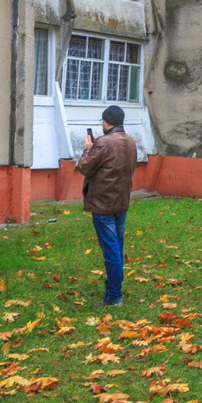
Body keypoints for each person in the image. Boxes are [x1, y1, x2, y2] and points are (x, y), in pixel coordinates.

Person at [77, 105, 137, 307]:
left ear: (107, 122)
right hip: (122, 201)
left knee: (110, 250)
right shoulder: (130, 141)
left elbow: (84, 167)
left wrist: (87, 149)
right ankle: (115, 288)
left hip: (103, 204)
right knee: (117, 247)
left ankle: (113, 295)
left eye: (102, 121)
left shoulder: (102, 143)